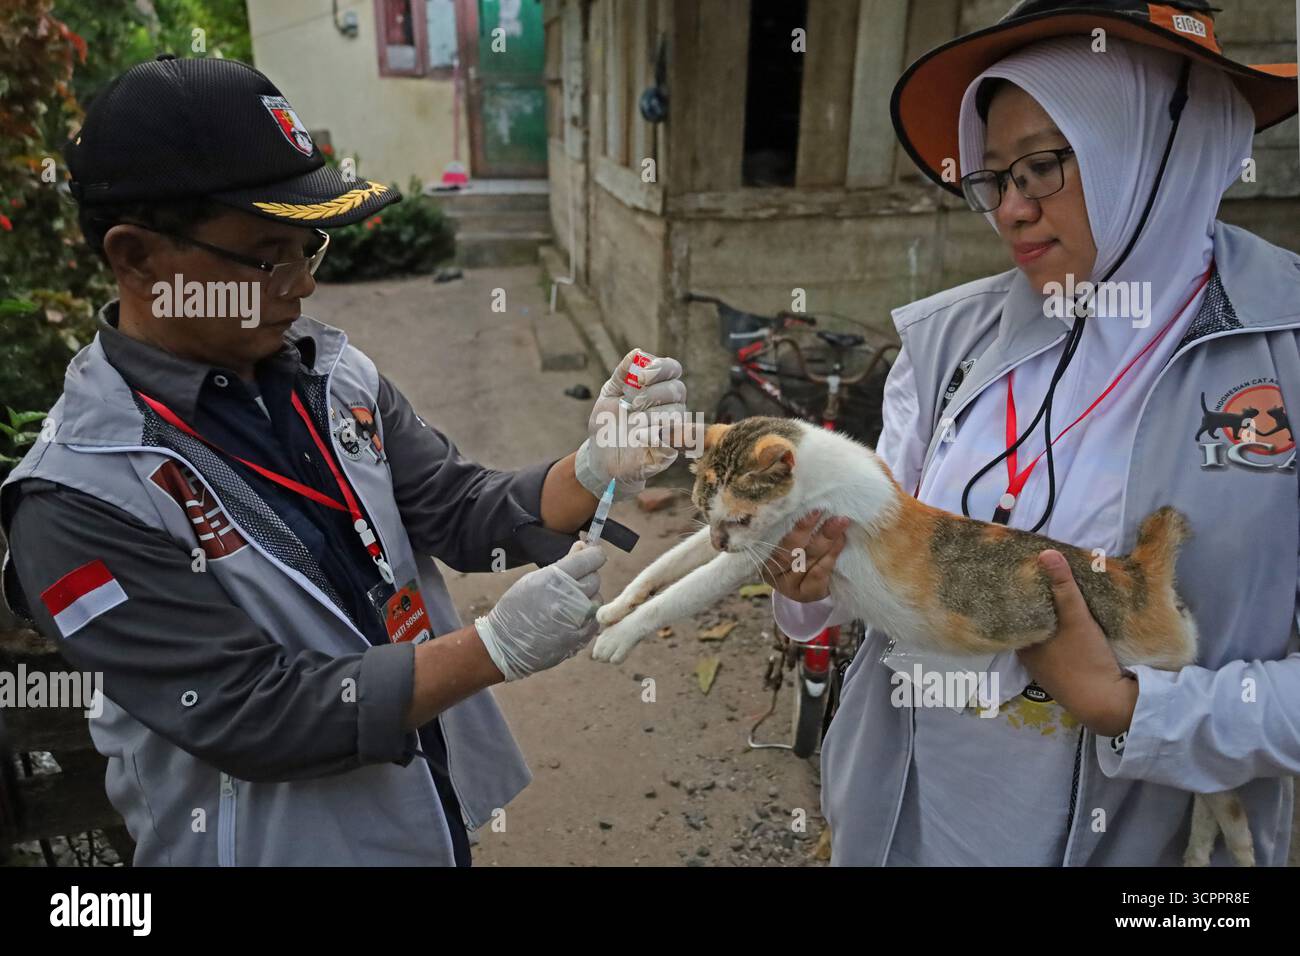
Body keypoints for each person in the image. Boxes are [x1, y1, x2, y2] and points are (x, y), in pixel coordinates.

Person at [0, 55, 685, 866]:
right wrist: (491, 648)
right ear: (138, 256)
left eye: (306, 248)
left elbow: (456, 509)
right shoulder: (79, 494)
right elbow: (246, 713)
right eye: (264, 257)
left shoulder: (331, 376)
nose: (301, 287)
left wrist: (595, 466)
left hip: (423, 816)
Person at [764, 0, 1300, 865]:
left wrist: (1129, 706)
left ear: (1163, 142)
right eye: (993, 179)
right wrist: (798, 577)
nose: (1010, 210)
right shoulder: (950, 345)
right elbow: (830, 587)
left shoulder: (1285, 353)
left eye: (1043, 166)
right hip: (904, 822)